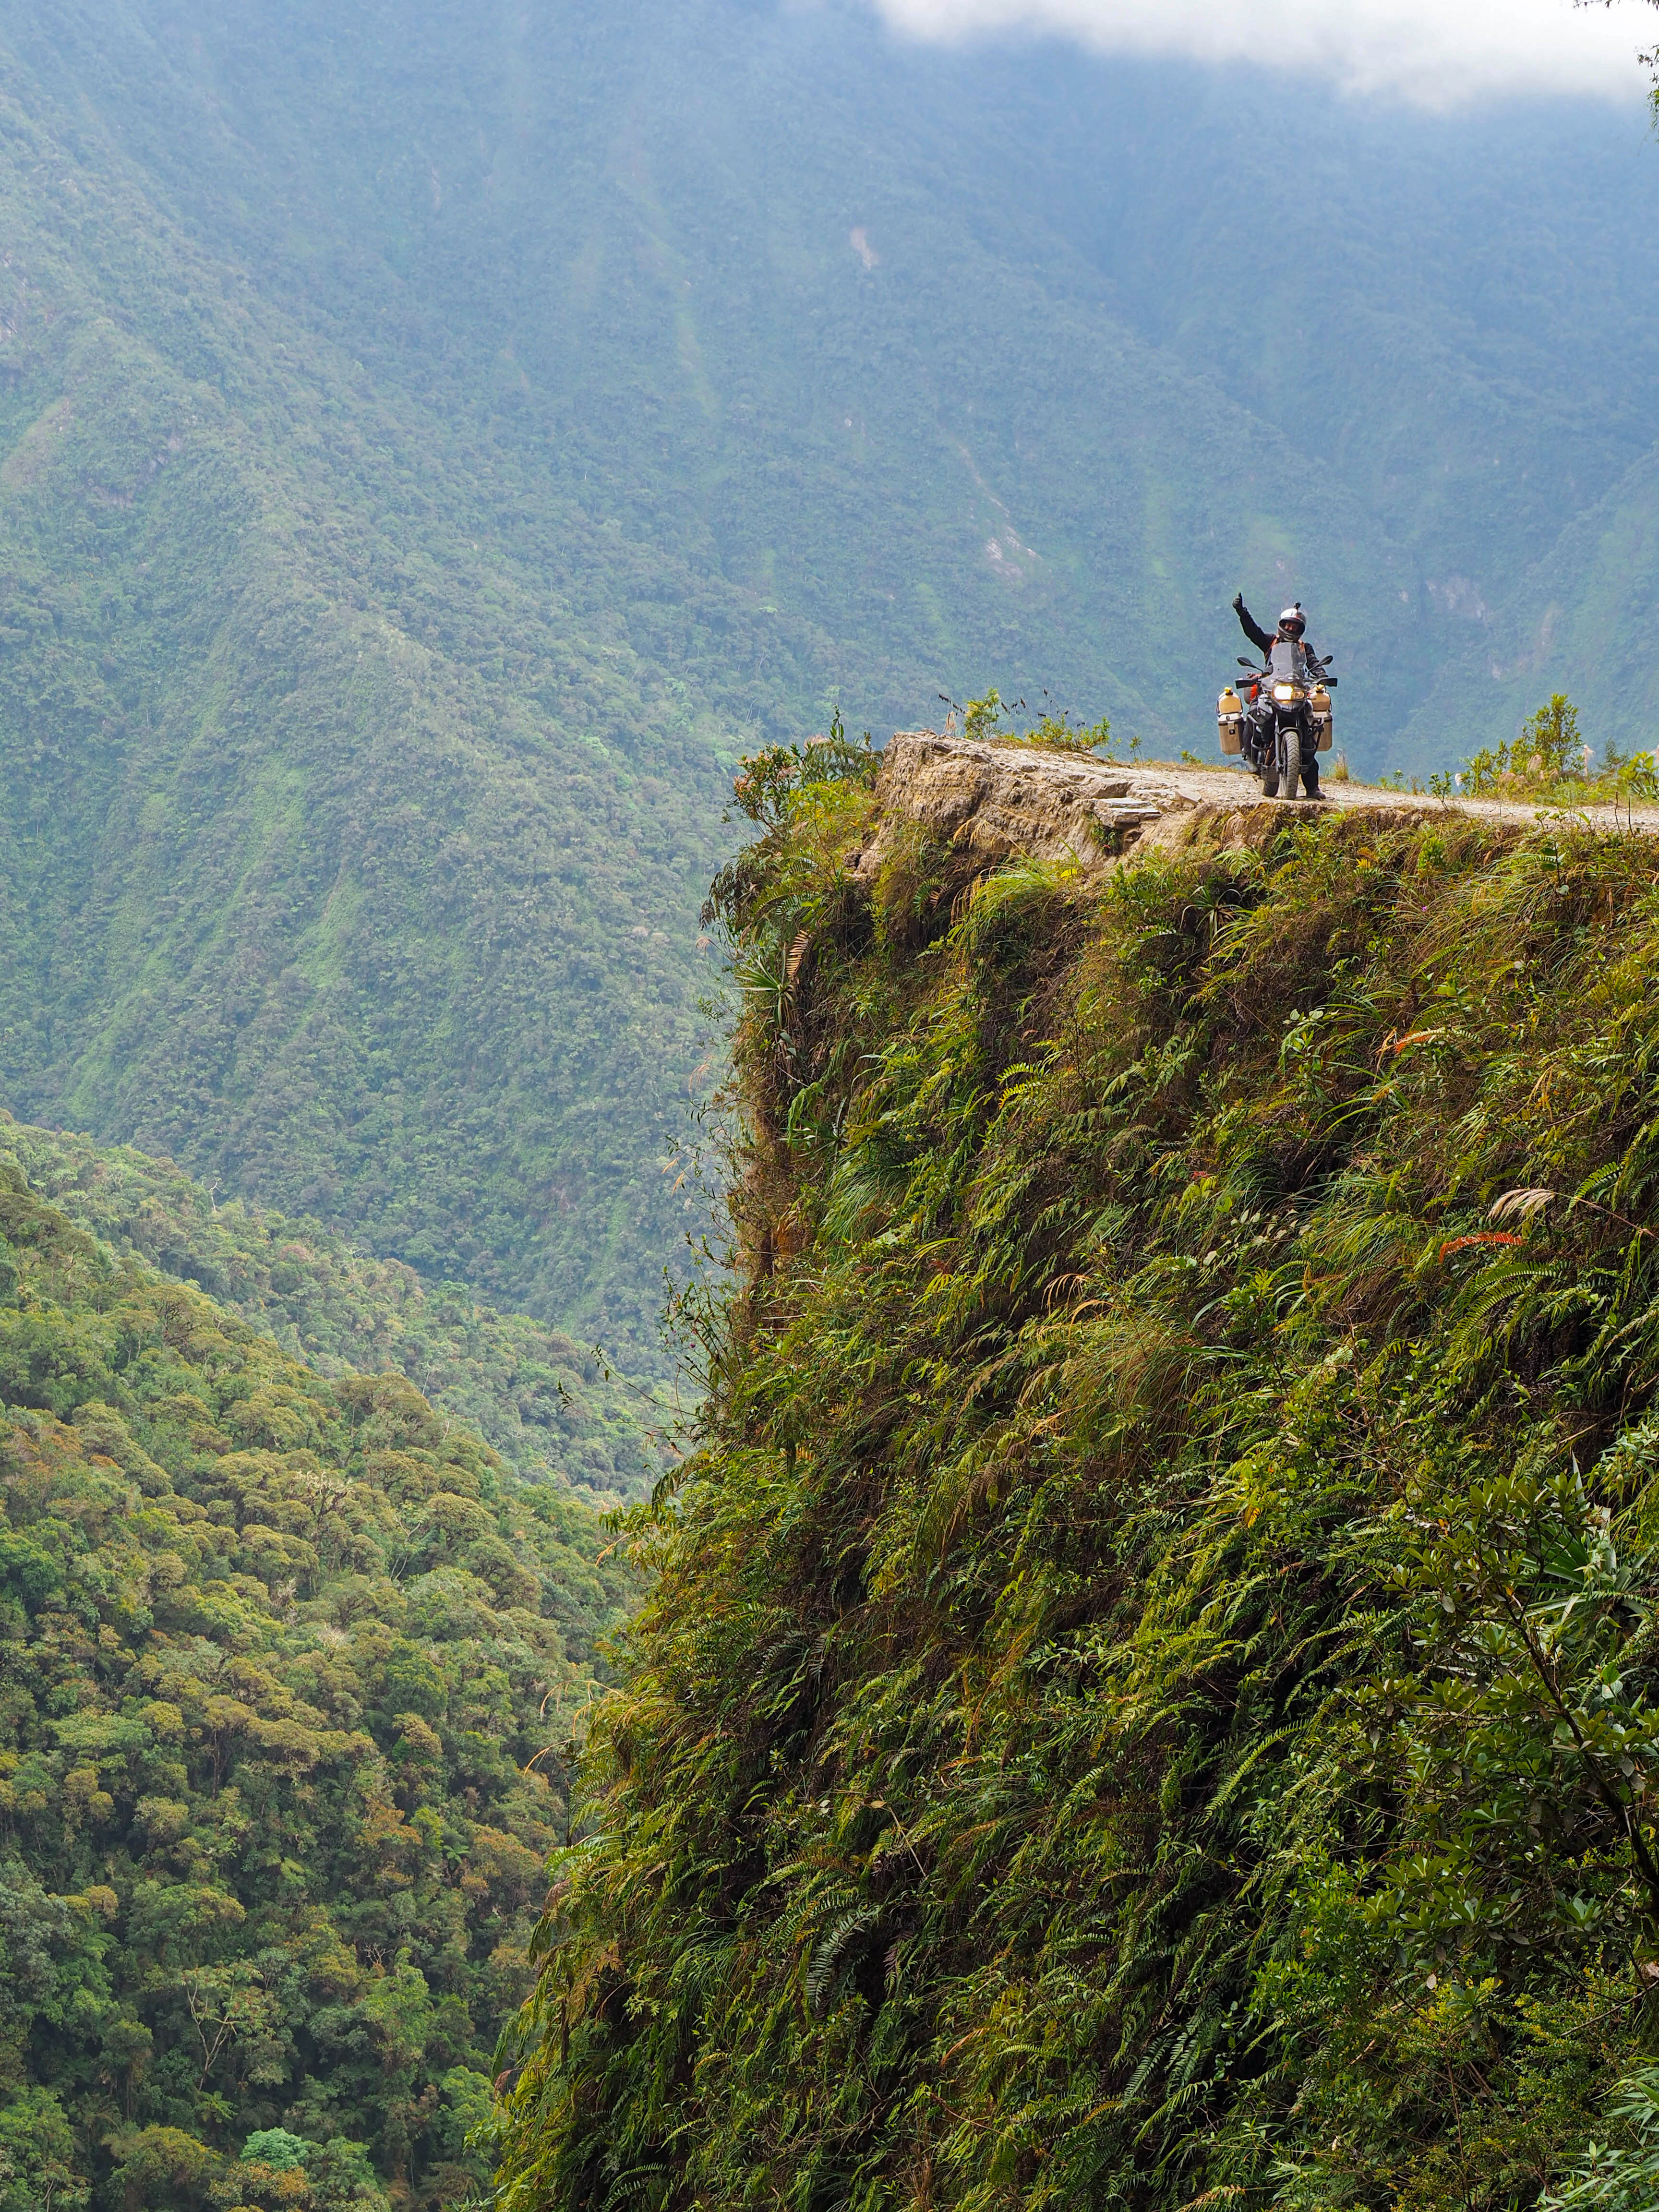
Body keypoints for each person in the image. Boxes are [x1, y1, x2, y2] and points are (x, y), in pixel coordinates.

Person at [1230, 594, 1325, 792]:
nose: (1291, 629)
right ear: (1282, 625)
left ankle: (1313, 788)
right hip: (1271, 688)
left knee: (1309, 730)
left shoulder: (1304, 648)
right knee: (1254, 712)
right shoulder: (1270, 642)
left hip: (1296, 691)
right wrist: (1242, 612)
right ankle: (1249, 755)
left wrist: (1321, 675)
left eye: (1296, 627)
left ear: (1300, 630)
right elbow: (1253, 633)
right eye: (1288, 625)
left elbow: (1314, 663)